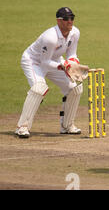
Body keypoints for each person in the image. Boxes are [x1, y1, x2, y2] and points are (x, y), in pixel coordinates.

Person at [15, 7, 84, 138]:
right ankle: (22, 127)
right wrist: (63, 66)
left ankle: (67, 126)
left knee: (75, 88)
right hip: (34, 61)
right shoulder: (50, 37)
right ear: (59, 21)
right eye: (66, 19)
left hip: (55, 60)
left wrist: (72, 63)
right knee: (39, 89)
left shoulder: (75, 33)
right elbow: (44, 62)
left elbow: (72, 53)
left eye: (72, 18)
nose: (70, 21)